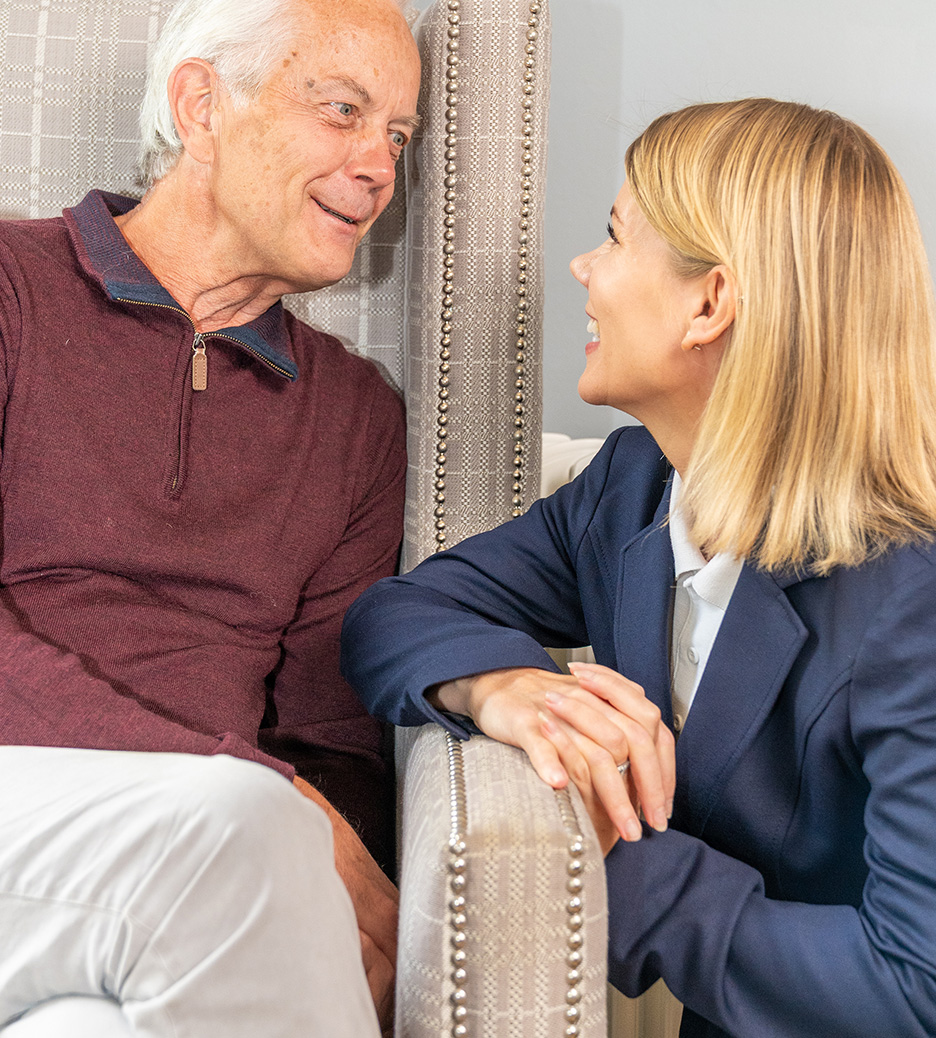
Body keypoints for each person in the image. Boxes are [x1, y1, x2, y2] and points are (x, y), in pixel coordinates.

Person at [342, 98, 936, 1037]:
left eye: (614, 238)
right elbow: (398, 613)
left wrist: (615, 857)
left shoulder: (916, 602)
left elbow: (916, 990)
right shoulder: (634, 484)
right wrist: (506, 687)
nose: (583, 268)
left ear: (711, 303)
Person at [0, 0, 421, 1036]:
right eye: (342, 110)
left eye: (397, 133)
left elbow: (330, 743)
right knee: (243, 837)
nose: (380, 166)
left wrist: (281, 804)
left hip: (202, 875)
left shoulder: (354, 415)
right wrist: (252, 796)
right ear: (201, 104)